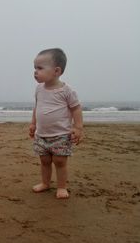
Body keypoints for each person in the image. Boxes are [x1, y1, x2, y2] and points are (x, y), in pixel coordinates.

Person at [29, 48, 83, 199]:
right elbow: (37, 107)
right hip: (42, 134)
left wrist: (78, 127)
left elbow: (76, 108)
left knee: (59, 161)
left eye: (39, 68)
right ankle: (45, 183)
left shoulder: (66, 91)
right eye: (34, 68)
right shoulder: (39, 89)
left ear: (56, 71)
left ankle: (61, 187)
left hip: (60, 134)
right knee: (44, 160)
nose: (35, 71)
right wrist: (33, 124)